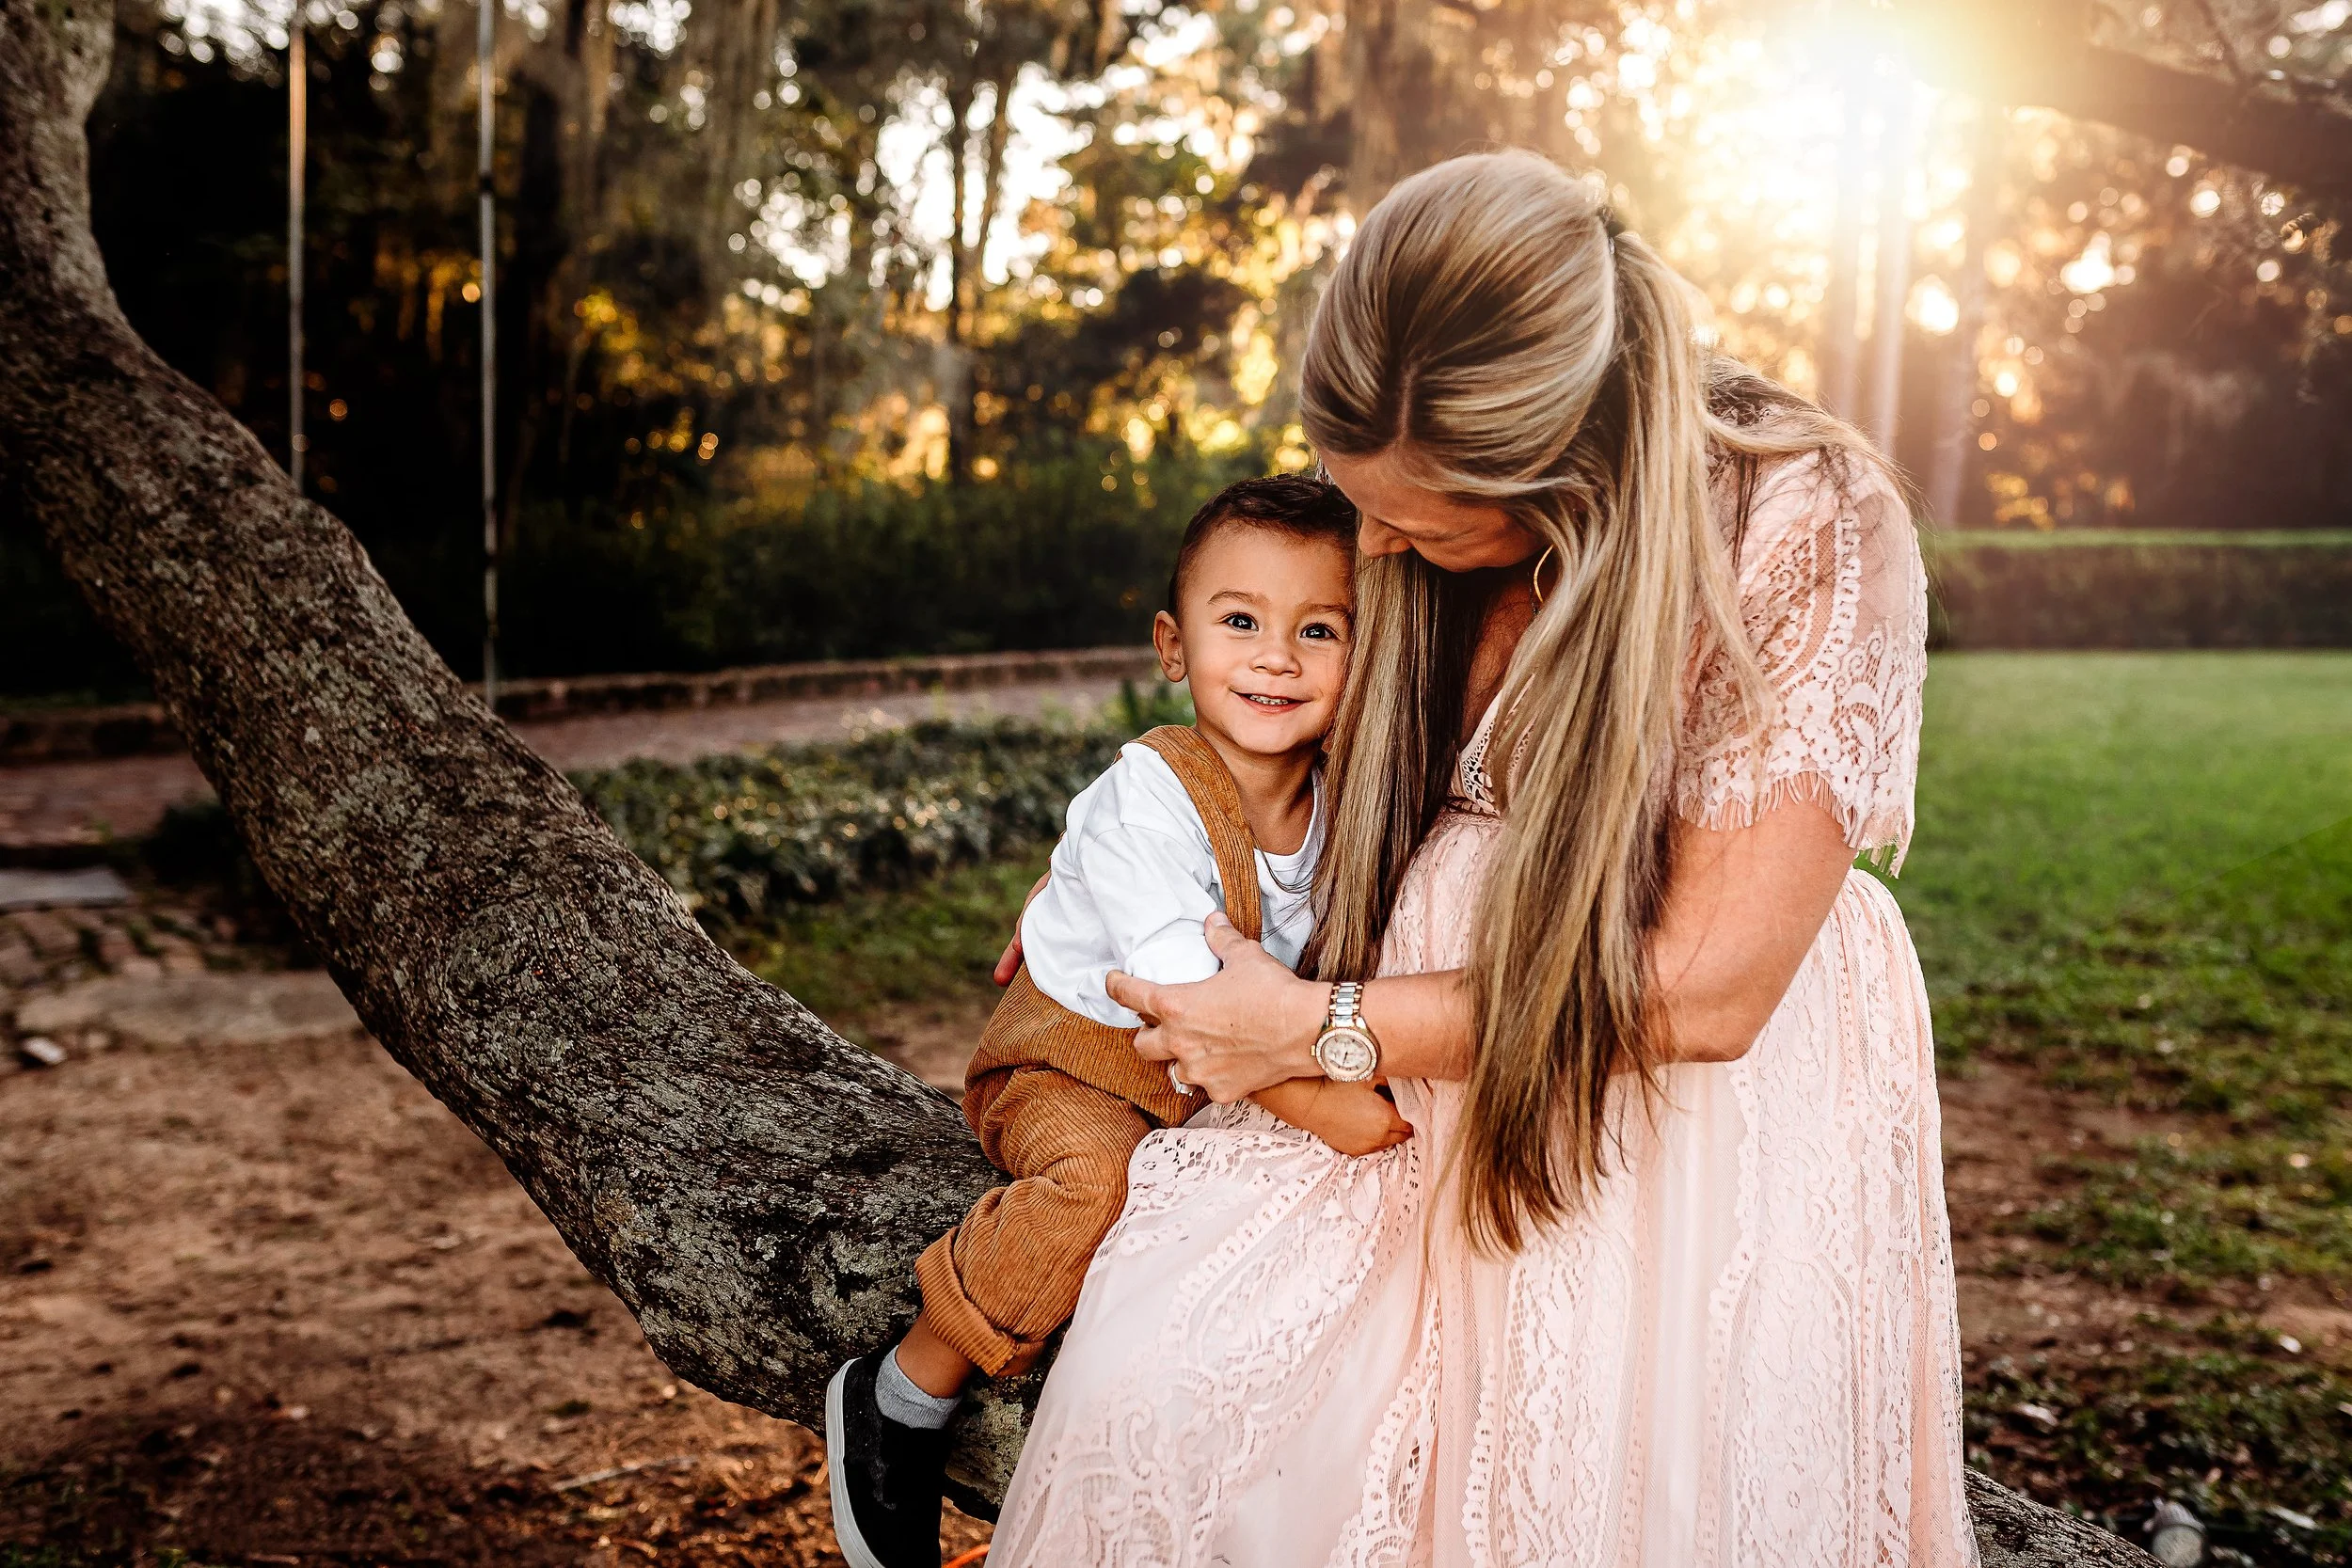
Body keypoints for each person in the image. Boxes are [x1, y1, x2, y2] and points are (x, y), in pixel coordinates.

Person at [988, 150, 1978, 1567]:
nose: (1372, 543)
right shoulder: (1401, 496)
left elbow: (1705, 989)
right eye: (1358, 494)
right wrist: (1112, 891)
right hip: (1407, 1087)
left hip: (1668, 1125)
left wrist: (1314, 1028)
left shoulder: (1794, 515)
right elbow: (1273, 727)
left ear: (1564, 460)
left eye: (1420, 521)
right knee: (1169, 1385)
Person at [823, 475, 1413, 1568]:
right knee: (1097, 1188)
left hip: (1209, 1076)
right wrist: (1319, 1103)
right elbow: (1172, 987)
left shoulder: (1346, 800)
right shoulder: (1148, 791)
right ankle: (903, 1387)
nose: (1275, 656)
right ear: (1172, 644)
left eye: (1317, 629)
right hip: (1079, 1061)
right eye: (1238, 620)